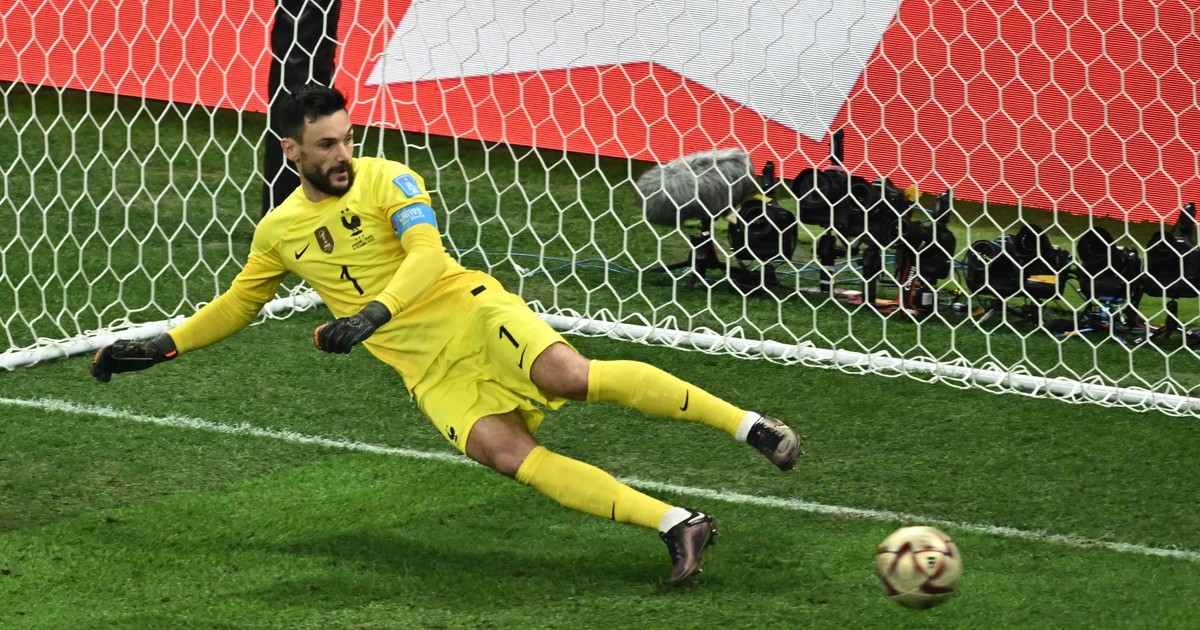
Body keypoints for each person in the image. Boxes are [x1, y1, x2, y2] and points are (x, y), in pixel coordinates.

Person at [91, 84, 803, 585]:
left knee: (568, 375)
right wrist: (163, 346)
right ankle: (678, 523)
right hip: (427, 371)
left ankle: (752, 428)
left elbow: (428, 254)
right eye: (326, 144)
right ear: (290, 152)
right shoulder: (278, 231)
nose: (343, 154)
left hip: (472, 313)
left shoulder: (389, 180)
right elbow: (240, 303)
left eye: (347, 138)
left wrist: (370, 316)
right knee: (507, 453)